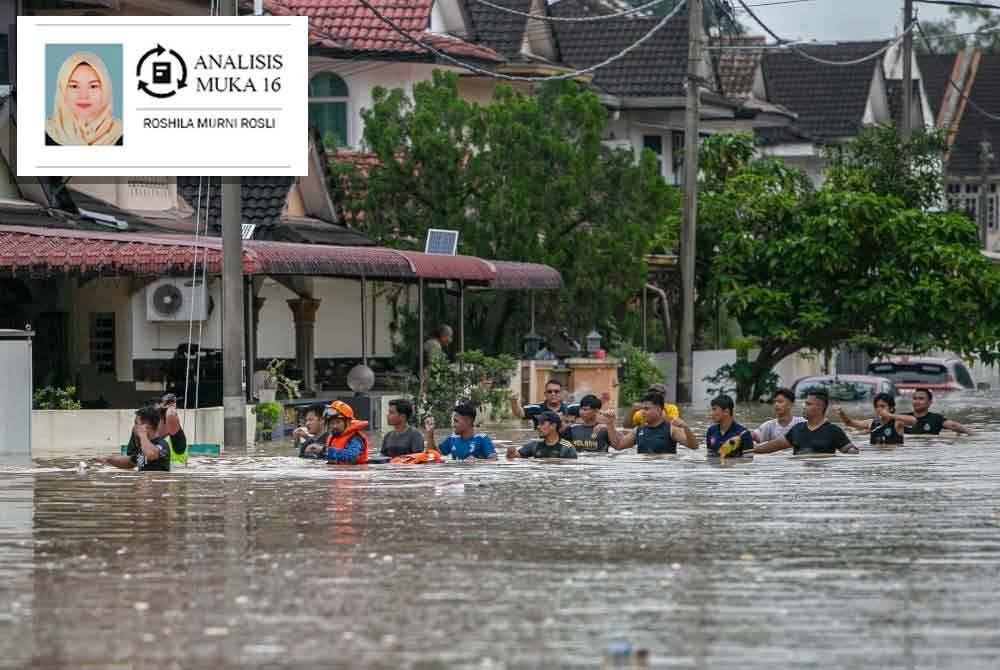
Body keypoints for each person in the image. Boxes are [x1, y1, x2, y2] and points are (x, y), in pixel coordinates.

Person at [46, 52, 123, 146]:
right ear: (62, 90)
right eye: (74, 86)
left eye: (93, 86)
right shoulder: (43, 135)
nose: (83, 96)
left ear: (106, 90)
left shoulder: (123, 135)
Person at [754, 389, 860, 456]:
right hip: (800, 479)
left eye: (808, 404)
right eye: (805, 403)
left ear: (820, 407)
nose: (804, 407)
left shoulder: (833, 431)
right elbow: (773, 446)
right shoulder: (797, 429)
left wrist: (851, 451)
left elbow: (851, 450)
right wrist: (748, 450)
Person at [606, 391, 698, 454]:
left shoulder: (671, 429)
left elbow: (694, 446)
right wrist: (610, 424)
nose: (642, 412)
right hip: (644, 473)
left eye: (647, 409)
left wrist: (686, 428)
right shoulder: (639, 430)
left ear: (658, 410)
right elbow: (618, 445)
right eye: (642, 409)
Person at [100, 407, 172, 471]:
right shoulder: (143, 446)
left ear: (146, 426)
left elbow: (151, 454)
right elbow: (130, 462)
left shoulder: (162, 445)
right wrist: (107, 459)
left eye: (136, 423)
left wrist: (142, 434)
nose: (134, 427)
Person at [424, 402, 497, 461]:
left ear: (468, 421)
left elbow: (494, 460)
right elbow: (433, 455)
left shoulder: (482, 439)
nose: (453, 425)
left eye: (456, 421)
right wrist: (430, 433)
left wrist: (477, 461)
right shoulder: (452, 439)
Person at [836, 392, 916, 445]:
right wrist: (841, 413)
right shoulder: (871, 423)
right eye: (876, 407)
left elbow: (913, 420)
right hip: (876, 457)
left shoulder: (897, 423)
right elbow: (849, 423)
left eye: (882, 406)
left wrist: (890, 415)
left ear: (891, 408)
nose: (879, 409)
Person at [507, 411, 577, 459]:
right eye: (538, 424)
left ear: (553, 426)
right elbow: (516, 457)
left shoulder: (567, 448)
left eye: (542, 424)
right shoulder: (534, 445)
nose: (538, 427)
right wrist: (511, 452)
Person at [705, 394, 754, 459]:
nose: (711, 413)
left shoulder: (743, 434)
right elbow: (709, 457)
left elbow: (748, 461)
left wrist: (733, 462)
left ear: (726, 411)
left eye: (714, 409)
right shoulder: (711, 431)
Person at [905, 388, 971, 435]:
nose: (917, 402)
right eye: (914, 398)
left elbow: (953, 425)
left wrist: (972, 434)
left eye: (921, 399)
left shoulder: (935, 419)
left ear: (930, 402)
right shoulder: (902, 418)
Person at [323, 400, 370, 465]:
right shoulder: (332, 437)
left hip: (354, 473)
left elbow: (352, 456)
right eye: (332, 423)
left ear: (348, 422)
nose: (334, 426)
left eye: (338, 422)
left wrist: (328, 451)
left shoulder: (355, 438)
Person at [157, 393, 187, 465]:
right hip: (177, 462)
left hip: (167, 462)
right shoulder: (171, 412)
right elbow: (171, 413)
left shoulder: (159, 419)